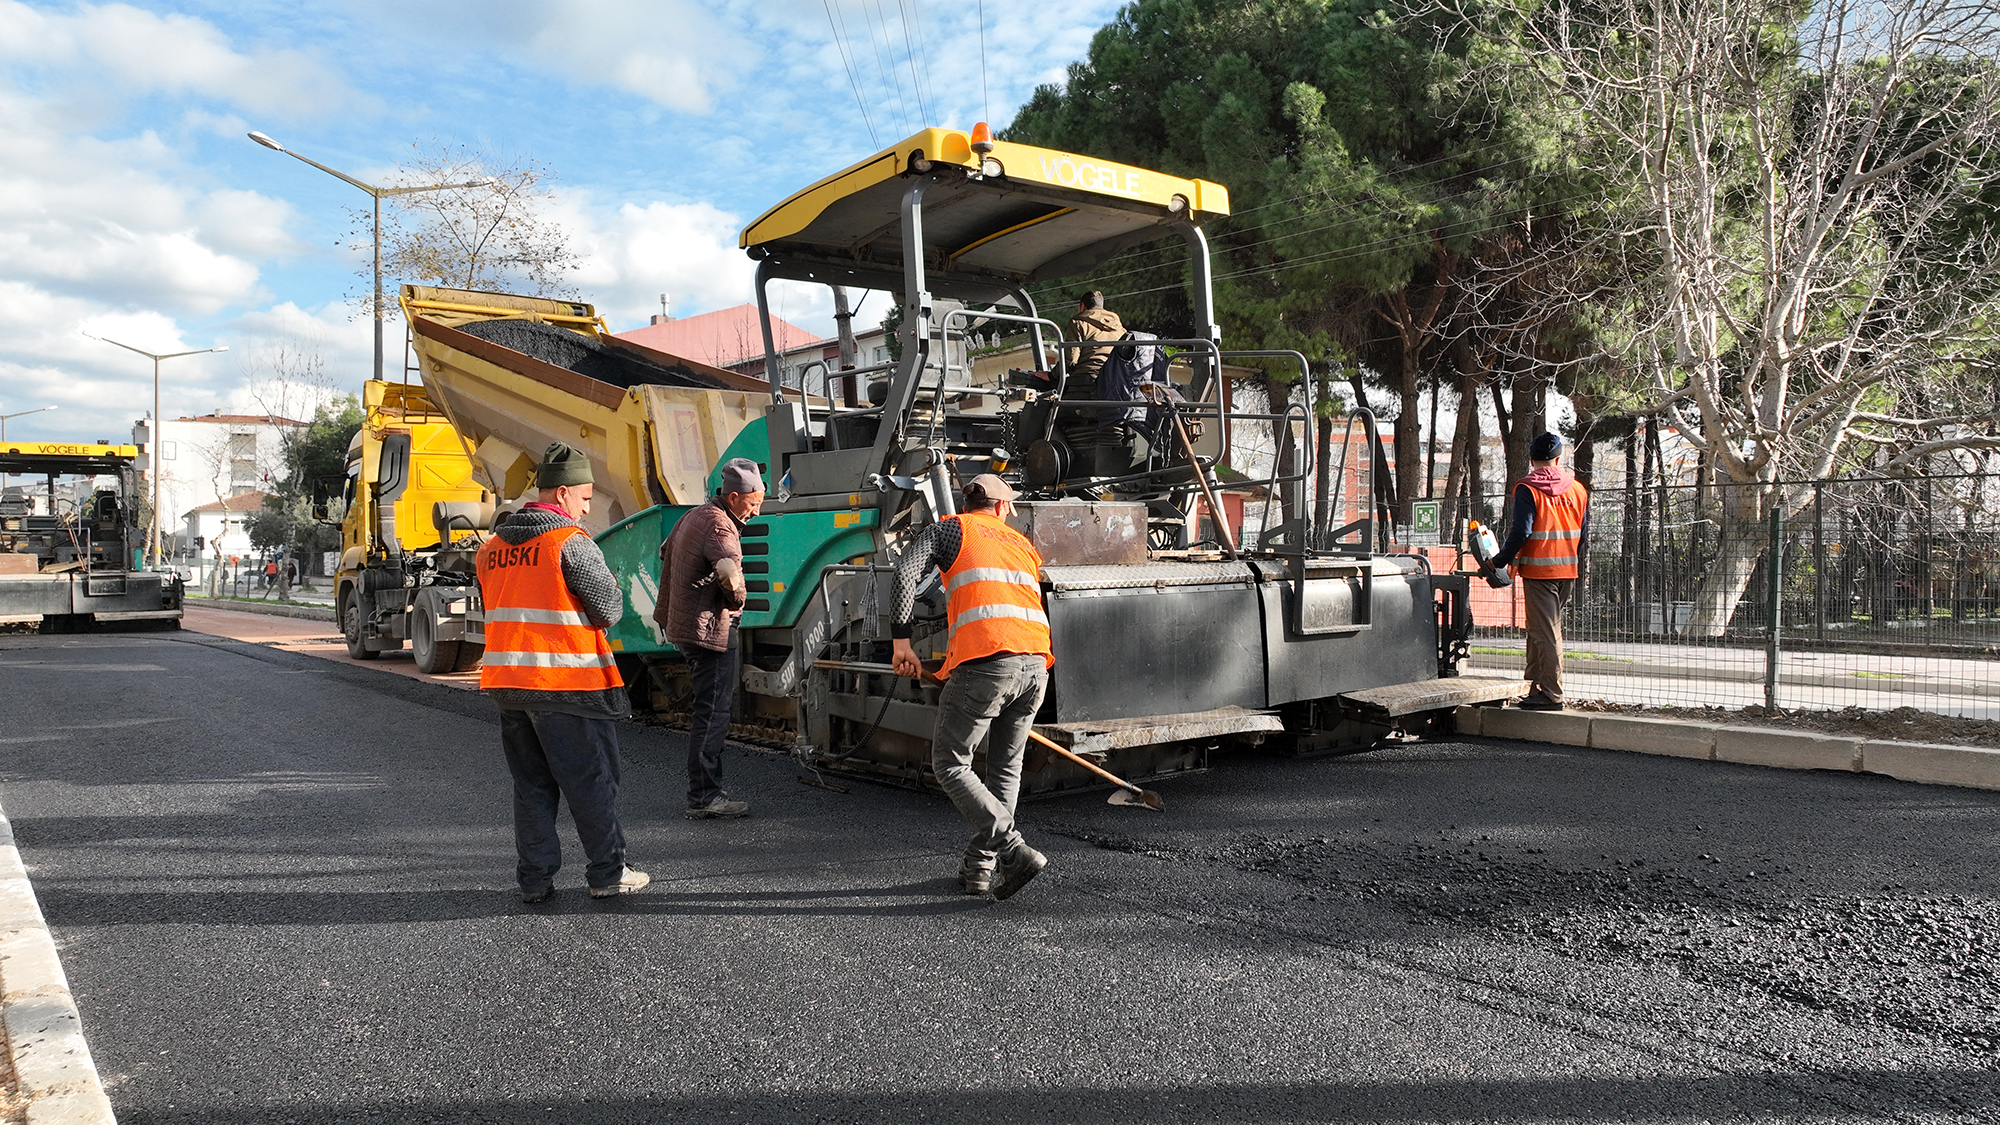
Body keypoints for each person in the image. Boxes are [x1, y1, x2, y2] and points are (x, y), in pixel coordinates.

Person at [477, 442, 647, 902]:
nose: (587, 509)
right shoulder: (569, 542)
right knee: (591, 782)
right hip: (566, 682)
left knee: (531, 786)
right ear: (563, 493)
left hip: (509, 684)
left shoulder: (491, 549)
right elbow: (608, 609)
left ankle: (534, 880)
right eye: (586, 498)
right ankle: (608, 872)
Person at [890, 474, 1053, 900]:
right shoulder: (1022, 544)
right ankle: (980, 867)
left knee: (950, 763)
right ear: (1002, 507)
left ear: (970, 504)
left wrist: (902, 643)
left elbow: (905, 573)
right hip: (1036, 664)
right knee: (1005, 769)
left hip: (987, 662)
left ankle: (1013, 850)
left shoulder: (951, 529)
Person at [655, 457, 764, 820]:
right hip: (708, 632)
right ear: (734, 497)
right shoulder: (721, 526)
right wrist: (737, 599)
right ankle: (704, 796)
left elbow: (665, 551)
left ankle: (704, 792)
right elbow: (729, 571)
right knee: (713, 713)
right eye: (753, 503)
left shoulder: (695, 515)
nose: (757, 511)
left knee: (706, 709)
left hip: (685, 626)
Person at [1487, 432, 1591, 711]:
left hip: (1539, 572)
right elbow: (1582, 535)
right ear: (1558, 459)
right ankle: (1532, 686)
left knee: (1546, 633)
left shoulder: (1528, 488)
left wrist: (1499, 560)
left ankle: (1552, 695)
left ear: (1532, 460)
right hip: (1567, 570)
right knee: (1538, 629)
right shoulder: (1577, 489)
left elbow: (1521, 531)